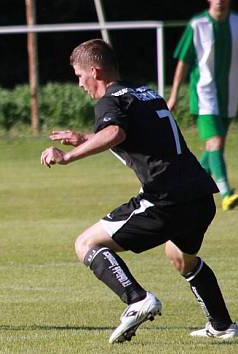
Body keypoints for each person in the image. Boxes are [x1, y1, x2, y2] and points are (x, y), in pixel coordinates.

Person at [41, 39, 237, 343]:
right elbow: (135, 135)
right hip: (199, 196)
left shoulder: (108, 100)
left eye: (80, 76)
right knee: (180, 256)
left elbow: (115, 132)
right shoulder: (145, 93)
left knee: (85, 243)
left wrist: (67, 157)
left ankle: (136, 299)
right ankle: (222, 326)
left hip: (165, 199)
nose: (79, 83)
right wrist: (82, 137)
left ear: (95, 71)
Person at [166, 0, 238, 211]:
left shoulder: (235, 22)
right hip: (205, 95)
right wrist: (175, 94)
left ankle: (189, 191)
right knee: (215, 142)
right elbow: (184, 61)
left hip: (230, 95)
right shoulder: (197, 25)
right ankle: (226, 193)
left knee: (214, 148)